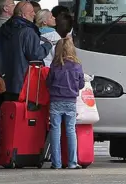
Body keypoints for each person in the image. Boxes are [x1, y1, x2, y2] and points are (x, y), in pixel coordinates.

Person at [0, 1, 52, 104]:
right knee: (19, 116)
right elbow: (35, 55)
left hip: (1, 82)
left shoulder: (0, 30)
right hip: (21, 83)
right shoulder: (28, 32)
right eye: (31, 12)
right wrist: (47, 45)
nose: (34, 14)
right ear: (23, 15)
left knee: (3, 114)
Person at [47, 37, 85, 169]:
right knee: (70, 131)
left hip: (55, 101)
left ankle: (56, 163)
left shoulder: (54, 66)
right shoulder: (77, 66)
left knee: (55, 131)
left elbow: (48, 83)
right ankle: (72, 162)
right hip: (70, 102)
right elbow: (81, 85)